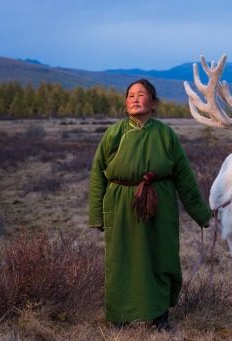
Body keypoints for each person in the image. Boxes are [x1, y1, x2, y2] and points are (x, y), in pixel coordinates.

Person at [88, 78, 212, 332]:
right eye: (130, 95)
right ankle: (120, 318)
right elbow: (97, 174)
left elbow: (185, 177)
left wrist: (202, 214)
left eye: (141, 94)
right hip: (122, 206)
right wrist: (98, 216)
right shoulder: (114, 133)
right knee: (121, 260)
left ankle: (160, 318)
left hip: (160, 206)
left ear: (153, 103)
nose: (134, 98)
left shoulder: (166, 134)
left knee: (161, 257)